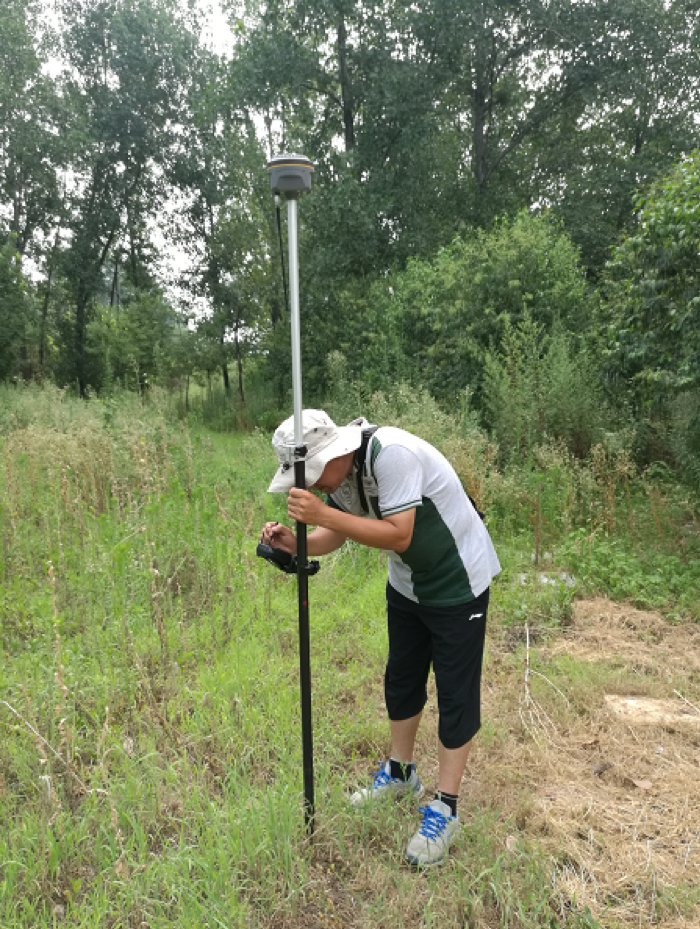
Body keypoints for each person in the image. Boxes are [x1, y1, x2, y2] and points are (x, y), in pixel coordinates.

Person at [261, 409, 500, 867]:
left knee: (455, 694)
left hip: (458, 581)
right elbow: (338, 533)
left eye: (311, 476)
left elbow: (399, 534)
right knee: (402, 679)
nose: (311, 486)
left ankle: (445, 807)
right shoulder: (340, 477)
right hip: (408, 585)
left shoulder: (393, 456)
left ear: (334, 450)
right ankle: (400, 773)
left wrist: (319, 513)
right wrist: (297, 541)